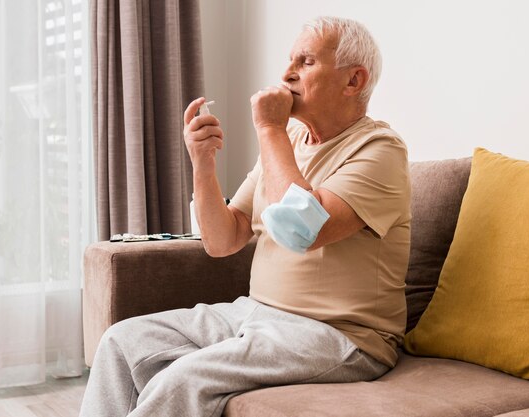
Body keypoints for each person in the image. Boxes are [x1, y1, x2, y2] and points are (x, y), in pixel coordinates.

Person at [79, 16, 410, 417]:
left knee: (185, 379)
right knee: (121, 340)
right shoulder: (288, 142)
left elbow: (303, 231)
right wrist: (203, 165)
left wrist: (269, 128)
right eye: (290, 60)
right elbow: (223, 240)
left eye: (305, 62)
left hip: (340, 336)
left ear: (353, 81)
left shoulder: (380, 151)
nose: (287, 73)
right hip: (256, 312)